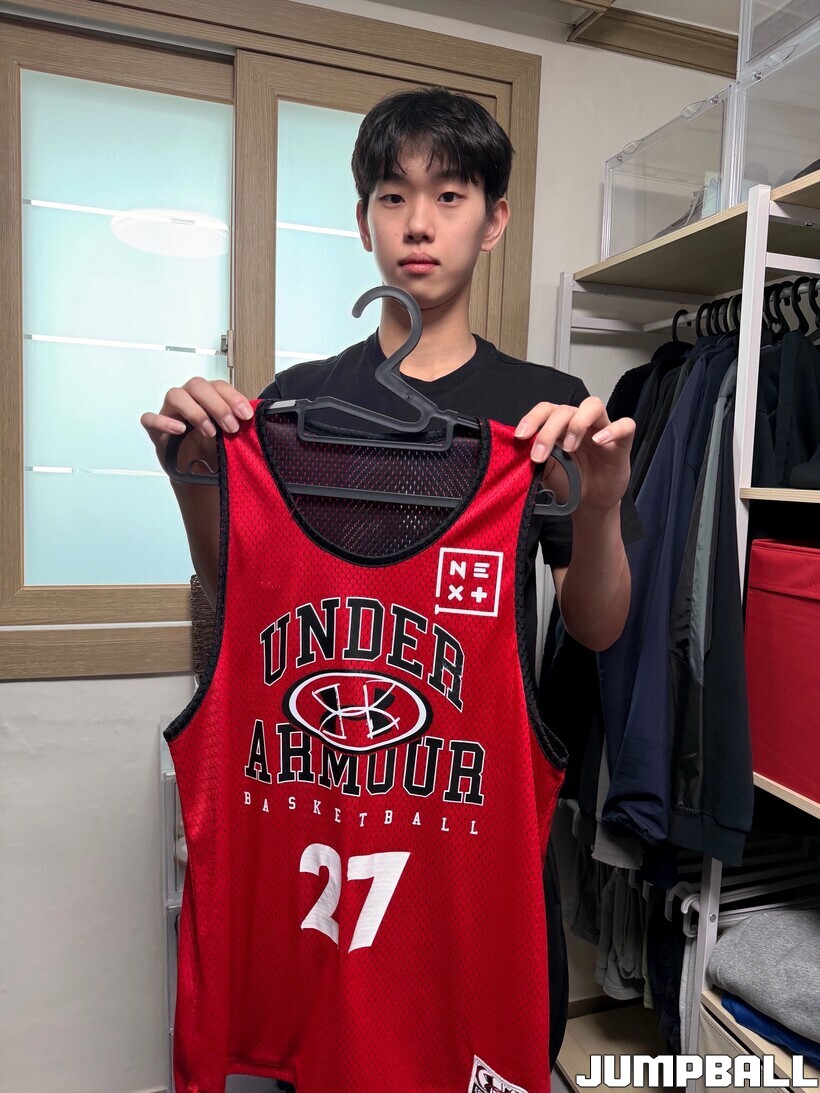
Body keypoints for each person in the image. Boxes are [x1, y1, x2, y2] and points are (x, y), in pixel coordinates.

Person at [141, 85, 642, 1080]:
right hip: (322, 834)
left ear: (493, 219)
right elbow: (236, 590)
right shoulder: (293, 404)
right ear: (363, 217)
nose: (418, 223)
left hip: (466, 847)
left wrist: (598, 505)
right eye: (392, 195)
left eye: (449, 195)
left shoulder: (543, 410)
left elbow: (596, 627)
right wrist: (195, 481)